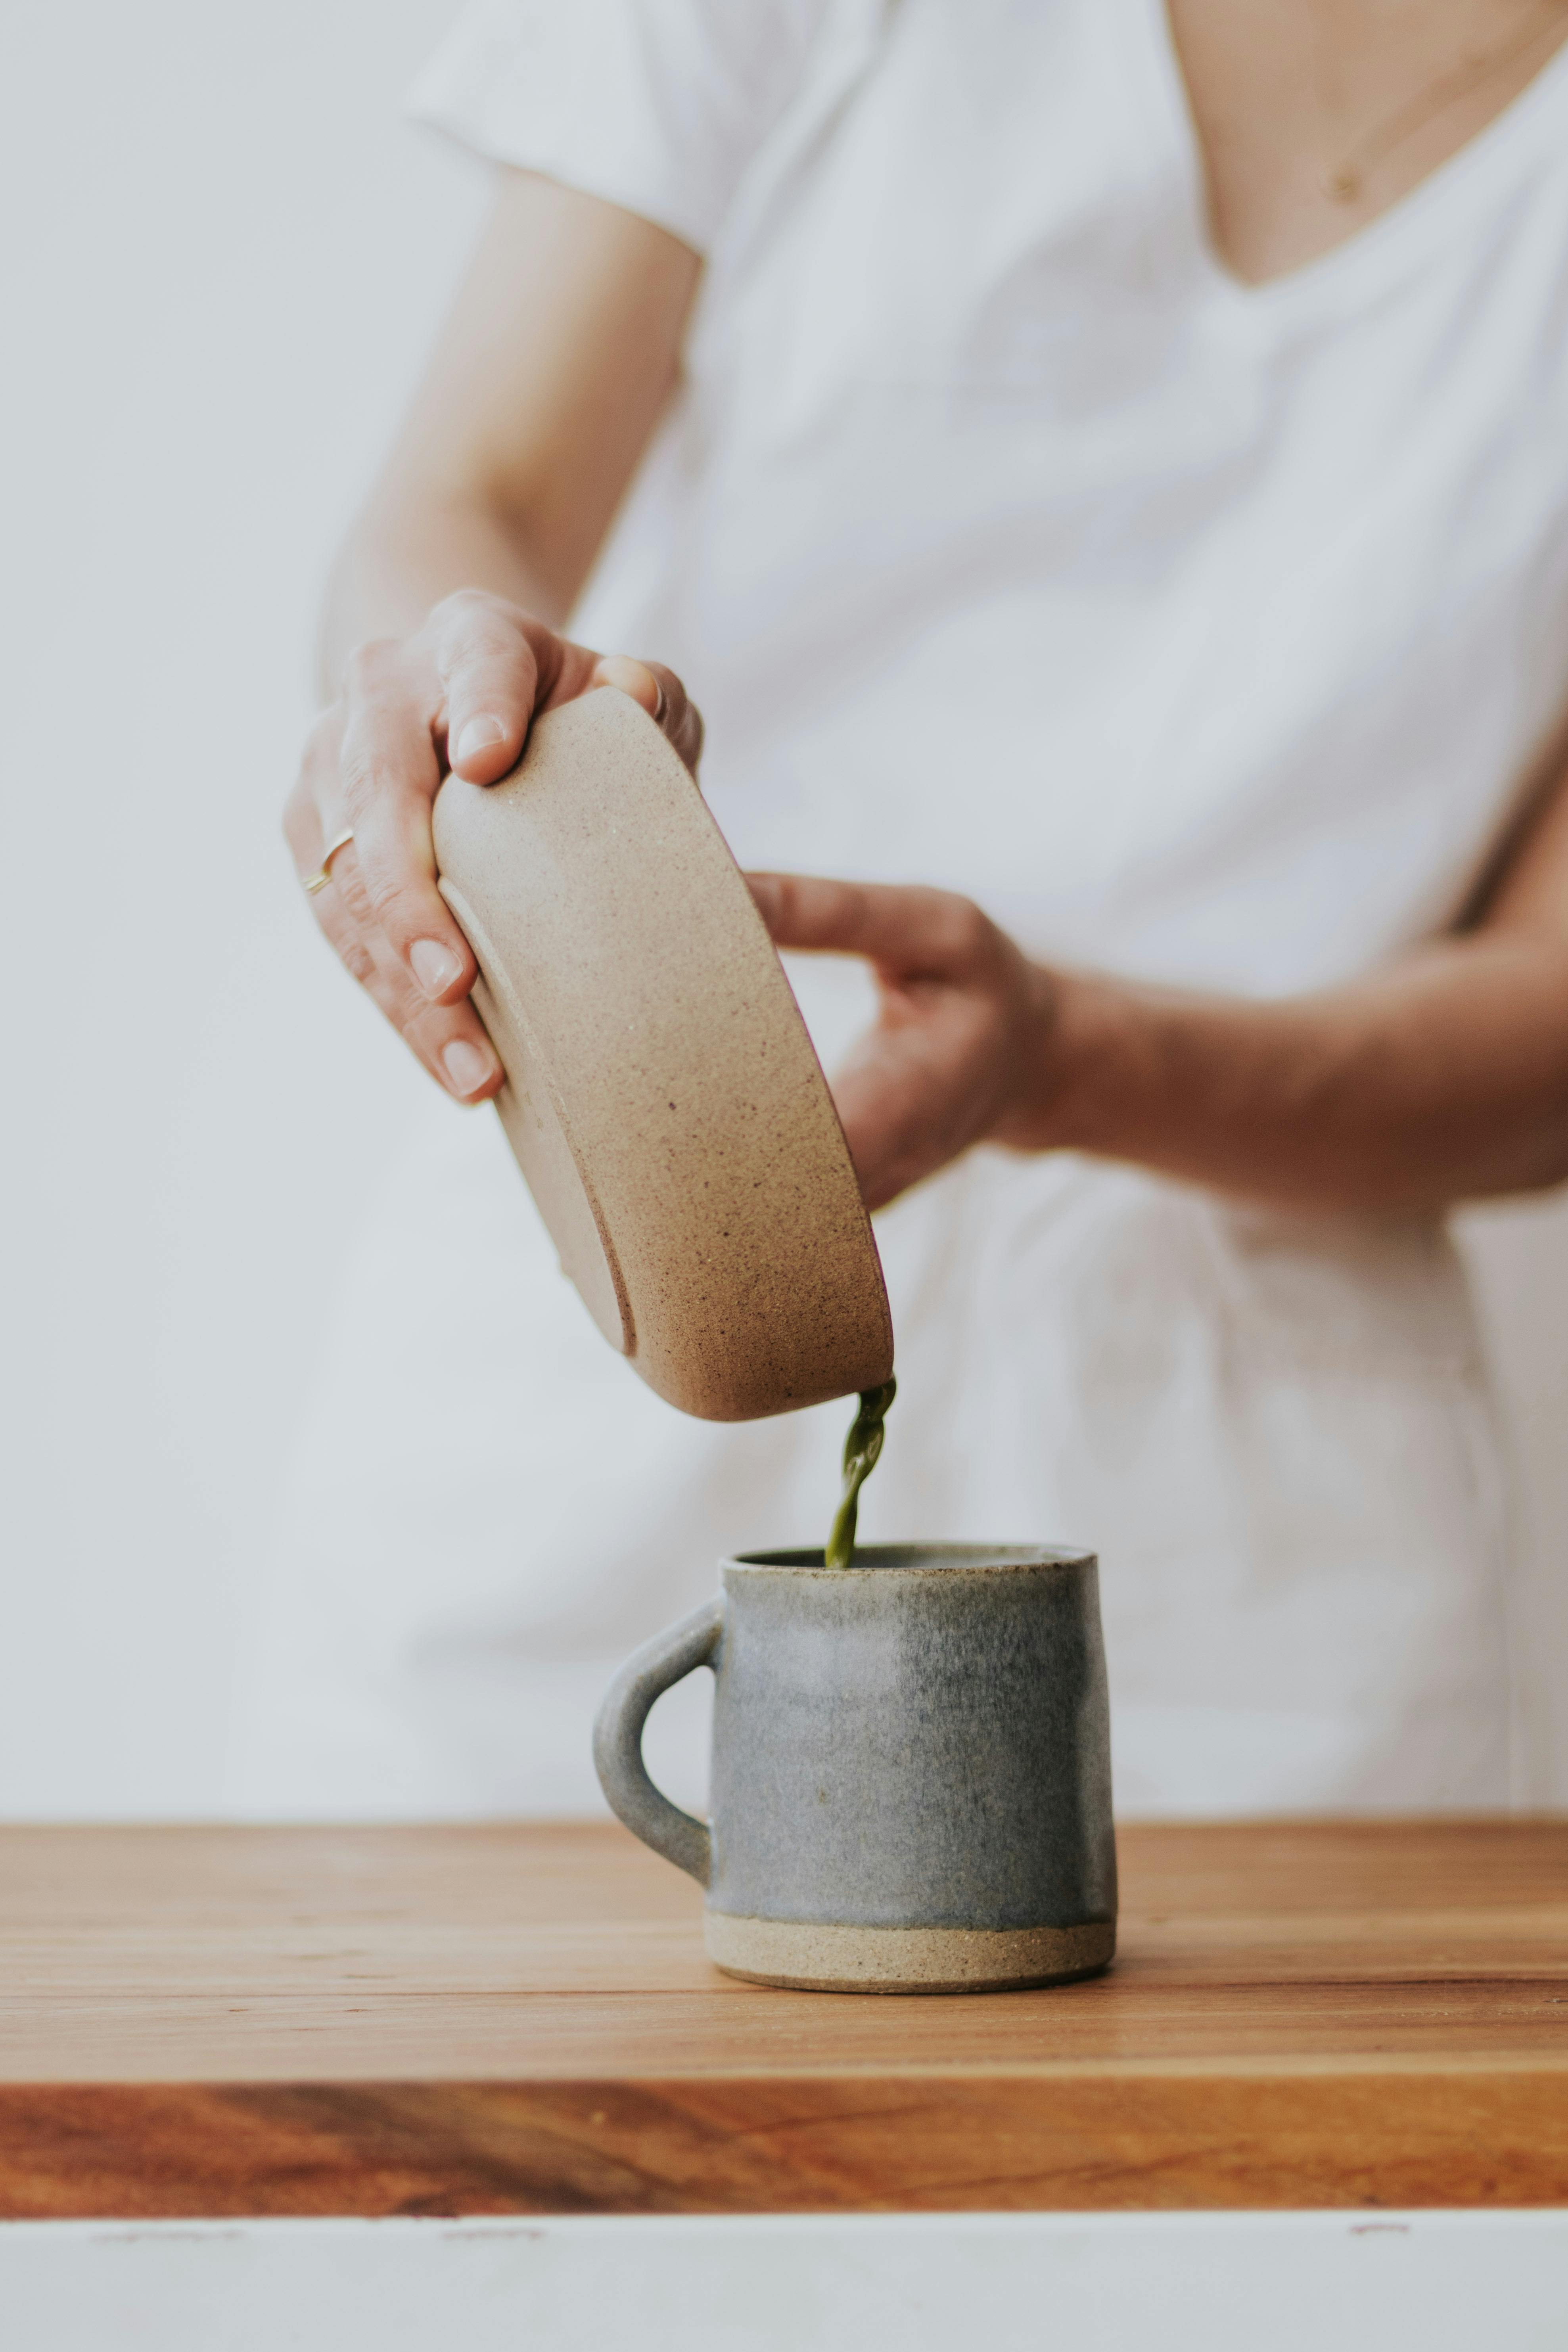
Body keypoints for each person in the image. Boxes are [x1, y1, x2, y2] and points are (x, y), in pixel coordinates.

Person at [240, 0, 1568, 1819]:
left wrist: (1065, 1058)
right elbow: (474, 495)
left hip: (1259, 1532)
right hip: (604, 1320)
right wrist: (442, 698)